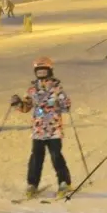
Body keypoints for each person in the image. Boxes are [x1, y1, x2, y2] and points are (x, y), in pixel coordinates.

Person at [14, 56, 73, 198]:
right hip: (38, 129)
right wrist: (17, 104)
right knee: (36, 157)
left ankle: (64, 182)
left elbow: (65, 107)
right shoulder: (32, 90)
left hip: (53, 128)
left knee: (56, 155)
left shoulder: (56, 88)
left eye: (44, 72)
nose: (41, 75)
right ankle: (32, 183)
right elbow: (26, 107)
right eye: (39, 72)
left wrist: (64, 103)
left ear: (49, 71)